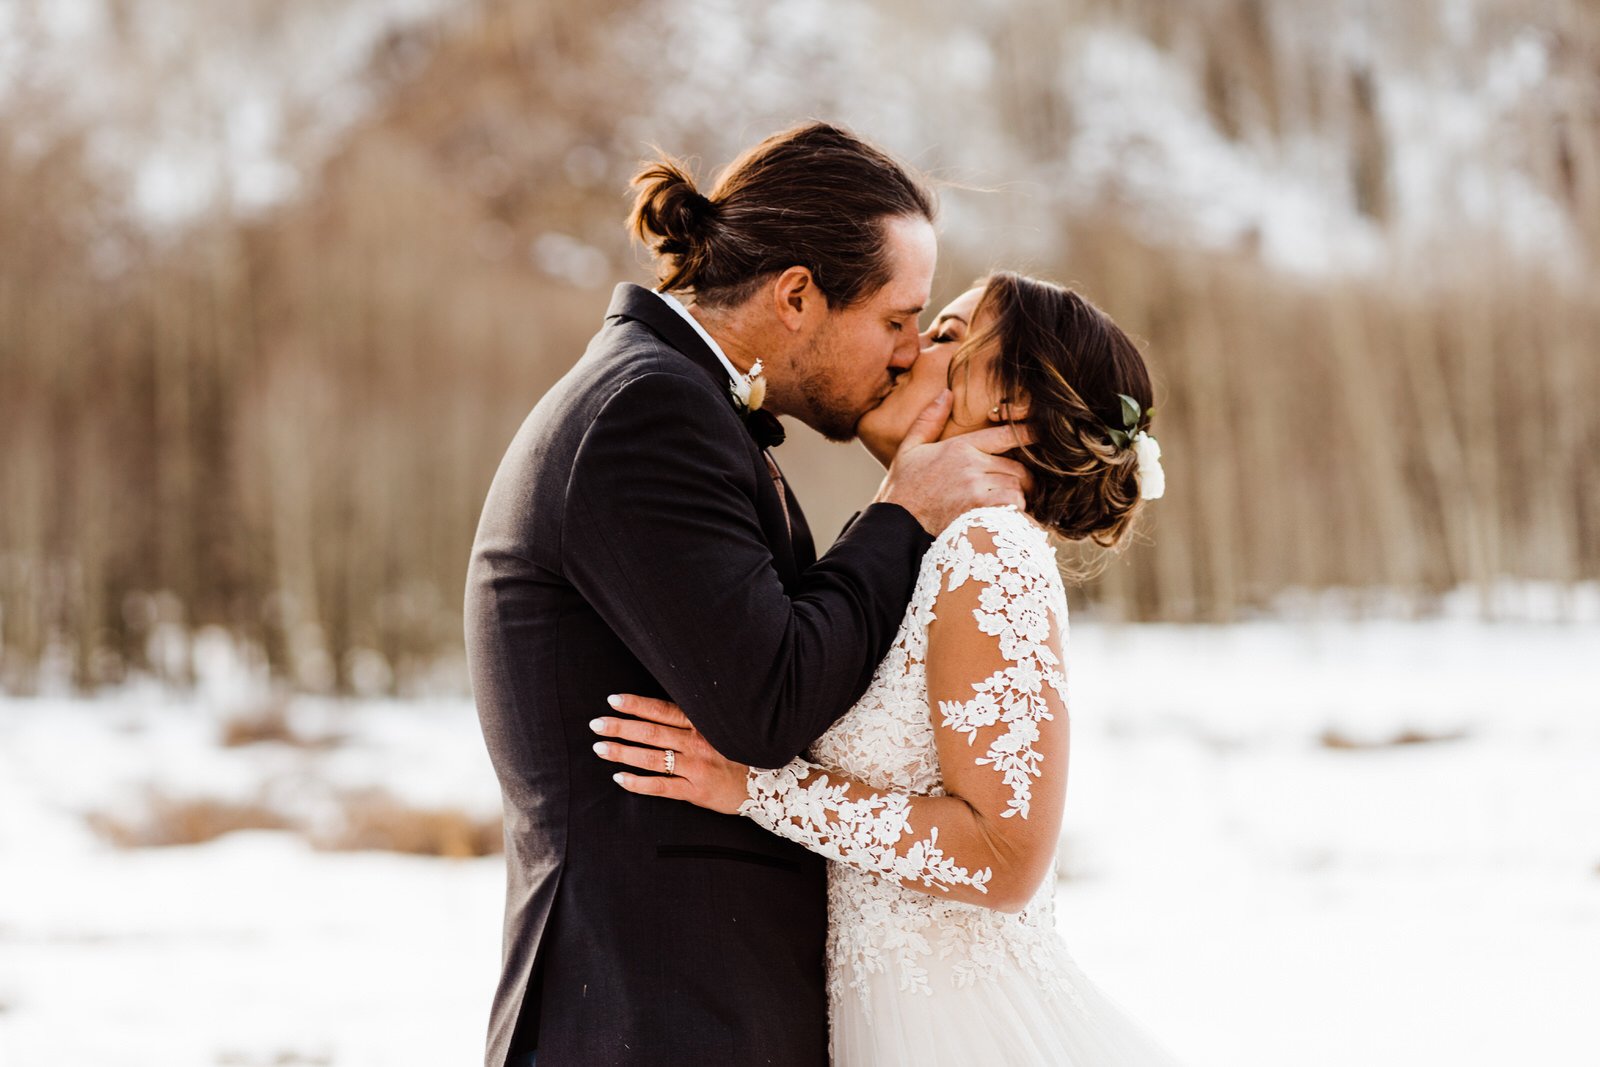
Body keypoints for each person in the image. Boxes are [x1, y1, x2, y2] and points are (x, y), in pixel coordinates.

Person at [464, 123, 1034, 1067]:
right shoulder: (646, 413)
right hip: (651, 1019)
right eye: (899, 320)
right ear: (799, 295)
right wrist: (902, 513)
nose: (905, 355)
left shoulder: (674, 401)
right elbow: (766, 703)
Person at [592, 272, 1184, 1065]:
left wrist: (756, 787)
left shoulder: (990, 553)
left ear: (1012, 404)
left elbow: (1006, 854)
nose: (907, 353)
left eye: (945, 335)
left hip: (968, 1031)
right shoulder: (931, 549)